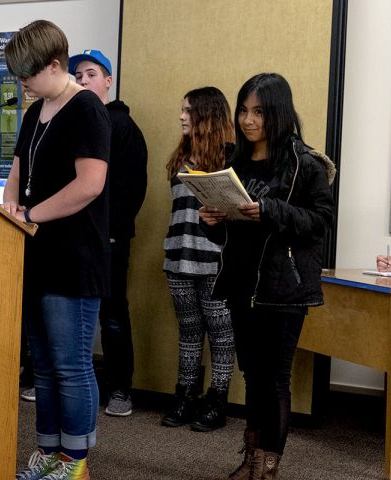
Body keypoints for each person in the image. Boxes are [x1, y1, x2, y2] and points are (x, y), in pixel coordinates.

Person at [199, 73, 335, 479]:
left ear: (277, 112)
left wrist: (270, 210)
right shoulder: (234, 161)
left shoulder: (306, 163)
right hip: (243, 282)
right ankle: (251, 456)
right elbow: (231, 228)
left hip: (284, 286)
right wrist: (212, 221)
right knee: (253, 375)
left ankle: (266, 467)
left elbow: (321, 221)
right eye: (243, 110)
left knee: (275, 379)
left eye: (257, 111)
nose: (247, 119)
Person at [3, 20, 110, 480]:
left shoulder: (87, 109)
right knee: (43, 367)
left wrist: (30, 215)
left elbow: (90, 185)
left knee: (71, 366)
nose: (21, 83)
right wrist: (9, 203)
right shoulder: (34, 111)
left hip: (74, 257)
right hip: (35, 255)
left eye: (27, 74)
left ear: (54, 64)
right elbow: (18, 169)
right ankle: (48, 452)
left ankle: (75, 461)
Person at [69, 49, 148, 417]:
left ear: (108, 80)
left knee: (113, 312)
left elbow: (132, 187)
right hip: (73, 236)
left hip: (110, 239)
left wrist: (114, 231)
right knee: (71, 310)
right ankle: (65, 382)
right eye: (78, 75)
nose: (83, 80)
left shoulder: (123, 127)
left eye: (90, 73)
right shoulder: (74, 120)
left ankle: (120, 389)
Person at [161, 87, 236, 432]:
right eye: (181, 109)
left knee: (221, 333)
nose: (181, 116)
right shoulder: (180, 158)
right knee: (189, 331)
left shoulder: (231, 159)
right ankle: (185, 394)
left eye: (188, 110)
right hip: (178, 257)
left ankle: (216, 399)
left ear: (207, 115)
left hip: (216, 261)